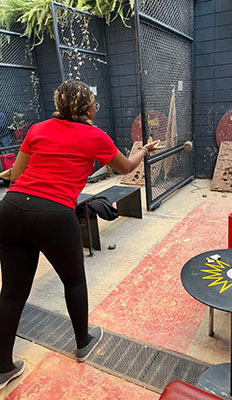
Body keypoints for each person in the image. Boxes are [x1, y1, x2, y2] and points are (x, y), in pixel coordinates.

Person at [0, 80, 163, 390]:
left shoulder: (37, 129)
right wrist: (144, 149)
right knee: (73, 280)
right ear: (88, 108)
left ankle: (2, 368)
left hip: (11, 209)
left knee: (11, 292)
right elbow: (126, 167)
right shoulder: (94, 136)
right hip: (54, 215)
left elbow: (18, 176)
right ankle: (83, 343)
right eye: (95, 105)